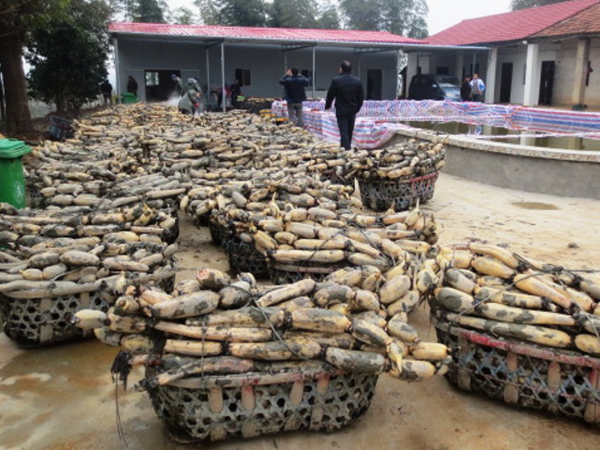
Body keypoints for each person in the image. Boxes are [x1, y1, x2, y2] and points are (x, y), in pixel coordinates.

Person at [325, 60, 364, 150]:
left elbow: (330, 95)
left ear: (341, 69)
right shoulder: (357, 81)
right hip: (352, 109)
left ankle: (346, 149)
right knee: (349, 131)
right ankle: (346, 147)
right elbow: (361, 96)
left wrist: (328, 105)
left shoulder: (336, 81)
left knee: (343, 131)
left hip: (341, 109)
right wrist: (357, 108)